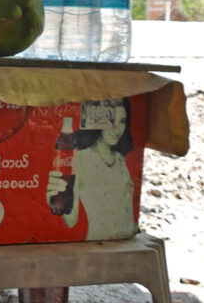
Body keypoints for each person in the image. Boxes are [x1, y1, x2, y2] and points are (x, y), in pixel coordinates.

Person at [45, 98, 136, 240]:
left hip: (126, 244)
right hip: (98, 245)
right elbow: (70, 220)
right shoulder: (81, 158)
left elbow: (128, 213)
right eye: (111, 121)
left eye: (122, 121)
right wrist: (57, 196)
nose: (117, 128)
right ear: (97, 120)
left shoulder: (120, 160)